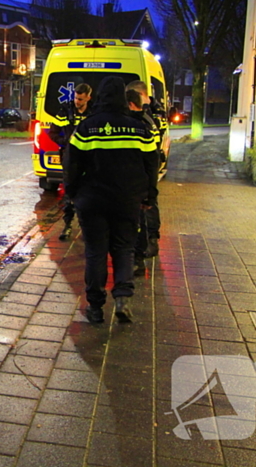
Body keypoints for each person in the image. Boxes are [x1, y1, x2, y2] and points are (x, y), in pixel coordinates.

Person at [65, 76, 157, 324]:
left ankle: (95, 307)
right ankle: (123, 298)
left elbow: (71, 164)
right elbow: (151, 164)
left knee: (96, 252)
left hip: (92, 200)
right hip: (127, 200)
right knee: (123, 249)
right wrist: (149, 195)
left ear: (99, 97)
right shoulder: (139, 128)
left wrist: (73, 194)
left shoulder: (87, 128)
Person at [125, 80, 166, 259]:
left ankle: (151, 240)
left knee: (149, 204)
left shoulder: (151, 113)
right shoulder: (152, 112)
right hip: (147, 161)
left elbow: (156, 139)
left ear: (140, 95)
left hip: (147, 163)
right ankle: (145, 243)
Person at [48, 82, 93, 241]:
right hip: (70, 158)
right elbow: (52, 133)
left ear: (88, 97)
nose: (77, 102)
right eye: (76, 98)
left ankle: (86, 227)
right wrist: (64, 141)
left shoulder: (93, 113)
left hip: (89, 159)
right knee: (69, 192)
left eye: (81, 99)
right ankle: (67, 225)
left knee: (89, 193)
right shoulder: (65, 112)